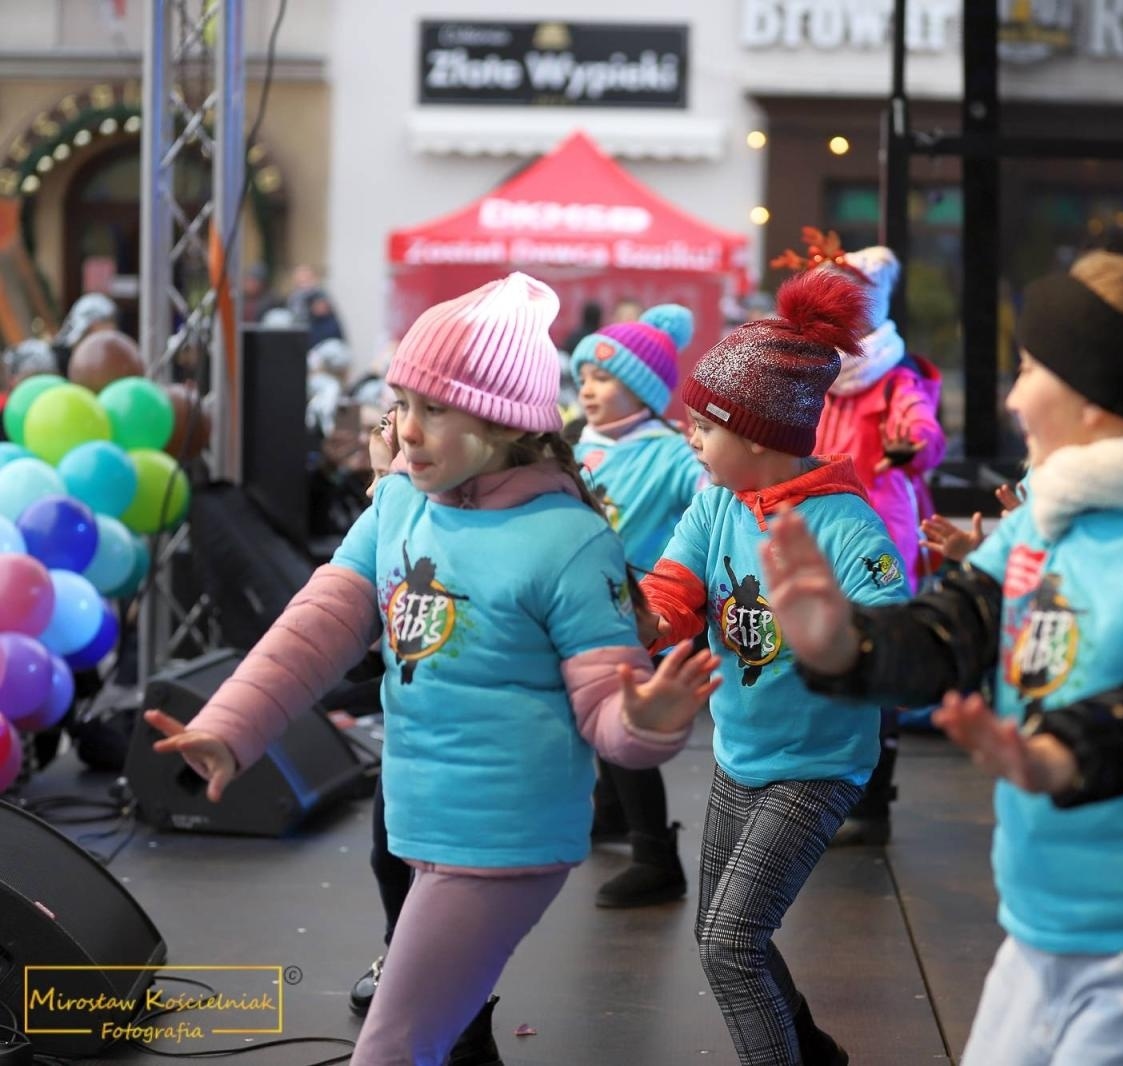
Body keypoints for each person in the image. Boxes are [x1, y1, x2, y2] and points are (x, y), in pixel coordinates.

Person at [762, 251, 1123, 1065]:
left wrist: (1067, 753)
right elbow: (950, 627)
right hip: (1046, 916)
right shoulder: (1048, 515)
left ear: (1101, 397)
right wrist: (843, 642)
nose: (1012, 395)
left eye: (1031, 369)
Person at [141, 272, 720, 1066]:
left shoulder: (569, 541)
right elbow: (315, 628)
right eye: (402, 405)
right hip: (424, 819)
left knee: (392, 1046)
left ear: (502, 422)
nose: (406, 430)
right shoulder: (398, 507)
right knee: (441, 1035)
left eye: (434, 409)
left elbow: (607, 715)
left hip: (504, 840)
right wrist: (227, 729)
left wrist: (648, 721)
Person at [637, 269, 908, 1065]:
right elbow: (670, 600)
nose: (690, 437)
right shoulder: (719, 499)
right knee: (725, 936)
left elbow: (893, 648)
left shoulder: (849, 528)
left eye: (702, 425)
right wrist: (610, 610)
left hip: (817, 767)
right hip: (737, 755)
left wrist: (839, 633)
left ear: (756, 436)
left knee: (730, 944)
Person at [771, 231, 948, 847]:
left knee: (879, 653)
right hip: (818, 521)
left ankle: (873, 796)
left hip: (881, 528)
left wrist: (912, 445)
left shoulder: (894, 376)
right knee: (819, 645)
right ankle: (823, 778)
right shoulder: (818, 369)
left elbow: (921, 427)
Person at [570, 302, 706, 908]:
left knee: (627, 722)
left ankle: (657, 855)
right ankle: (610, 815)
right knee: (596, 716)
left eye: (603, 378)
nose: (588, 389)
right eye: (583, 378)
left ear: (643, 390)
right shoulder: (573, 445)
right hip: (578, 605)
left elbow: (710, 498)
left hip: (640, 616)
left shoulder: (670, 452)